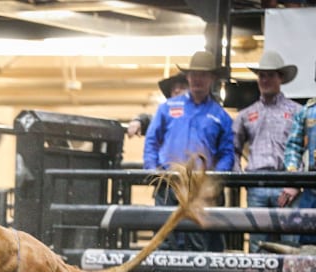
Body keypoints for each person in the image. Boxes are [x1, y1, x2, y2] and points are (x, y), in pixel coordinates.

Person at [143, 50, 235, 251]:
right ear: (187, 77)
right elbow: (151, 140)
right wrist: (153, 169)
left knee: (196, 238)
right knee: (164, 237)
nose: (197, 79)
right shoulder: (168, 108)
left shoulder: (221, 117)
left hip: (198, 187)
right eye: (193, 74)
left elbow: (227, 153)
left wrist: (212, 179)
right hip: (169, 182)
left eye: (202, 75)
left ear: (211, 78)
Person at [233, 50, 302, 252]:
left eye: (270, 75)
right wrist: (240, 177)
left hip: (286, 185)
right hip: (257, 183)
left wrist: (296, 184)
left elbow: (306, 149)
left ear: (280, 78)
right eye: (262, 75)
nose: (265, 80)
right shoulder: (247, 115)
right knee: (258, 242)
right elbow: (233, 148)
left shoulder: (296, 112)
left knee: (290, 242)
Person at [284, 75, 316, 245]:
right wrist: (293, 177)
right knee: (307, 244)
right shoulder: (308, 112)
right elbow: (293, 147)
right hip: (312, 189)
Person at [127, 73, 189, 137]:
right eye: (173, 88)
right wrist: (138, 121)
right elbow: (151, 119)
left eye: (182, 87)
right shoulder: (166, 115)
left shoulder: (198, 114)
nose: (177, 90)